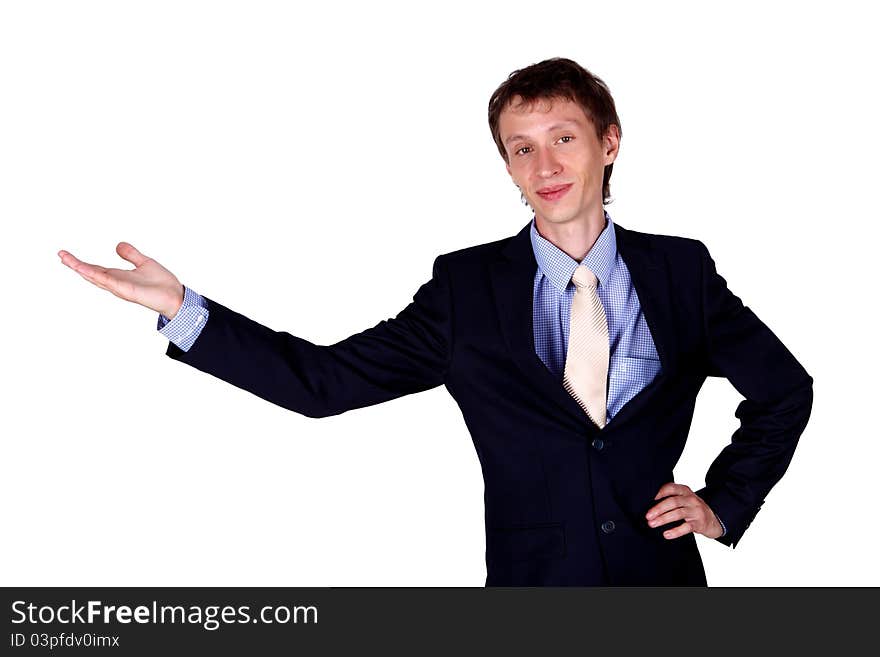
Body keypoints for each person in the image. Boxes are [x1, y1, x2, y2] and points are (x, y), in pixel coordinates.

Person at [58, 57, 813, 586]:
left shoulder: (680, 271)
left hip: (665, 587)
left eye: (563, 138)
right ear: (508, 168)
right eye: (522, 148)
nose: (544, 163)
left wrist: (723, 500)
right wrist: (182, 308)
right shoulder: (466, 290)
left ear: (609, 142)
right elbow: (323, 382)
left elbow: (785, 390)